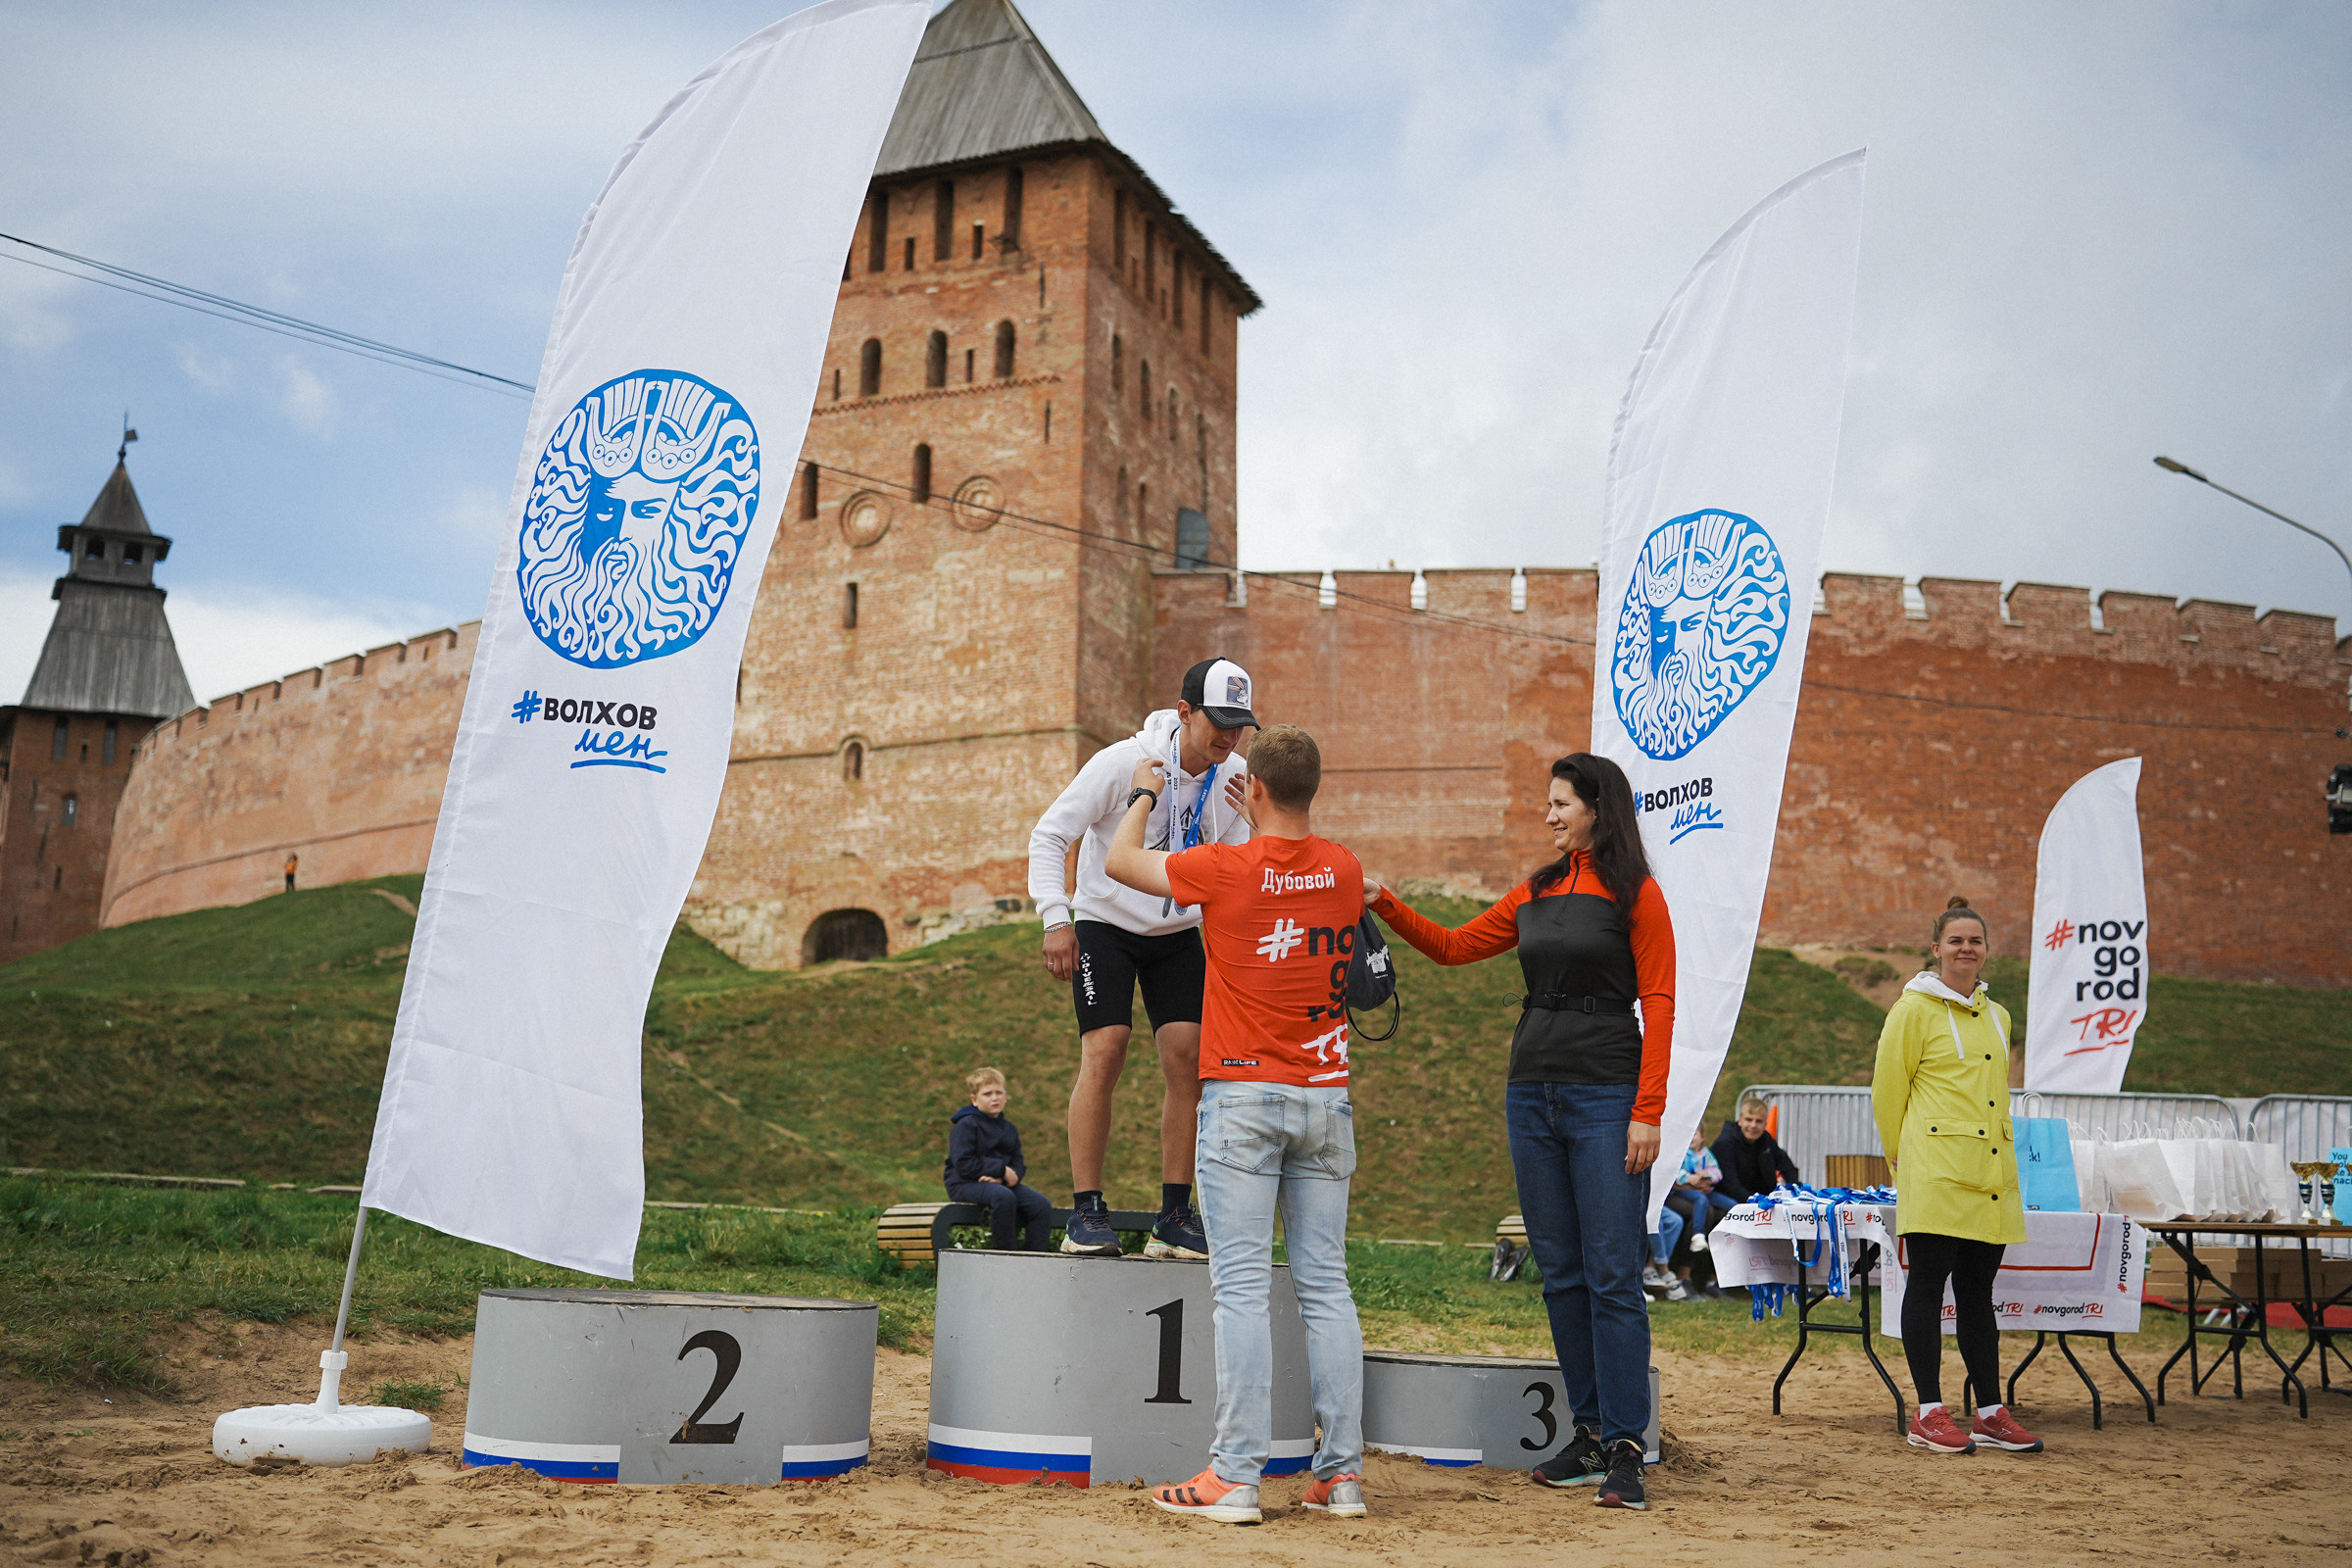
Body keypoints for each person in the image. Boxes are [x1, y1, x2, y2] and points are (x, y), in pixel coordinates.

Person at [1368, 752, 1673, 1511]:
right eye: (1549, 804)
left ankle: (1629, 1446)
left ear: (1598, 807)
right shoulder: (1536, 891)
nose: (1549, 815)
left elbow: (1661, 1000)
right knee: (1563, 1277)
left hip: (1607, 1095)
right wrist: (1386, 903)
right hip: (1530, 1095)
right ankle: (1592, 1433)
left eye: (1561, 803)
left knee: (1611, 1276)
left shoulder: (1638, 893)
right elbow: (1455, 945)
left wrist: (1649, 1109)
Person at [1104, 724, 1368, 1526]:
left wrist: (1148, 791)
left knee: (1242, 1294)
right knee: (1327, 1291)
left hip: (1243, 1101)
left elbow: (1120, 864)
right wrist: (1261, 812)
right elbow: (1305, 872)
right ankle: (1342, 1478)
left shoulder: (1225, 868)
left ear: (1251, 789)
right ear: (1313, 790)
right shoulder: (1345, 868)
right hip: (1326, 1098)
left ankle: (1236, 1476)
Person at [1026, 657, 1257, 1260]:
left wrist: (1254, 828)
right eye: (1220, 723)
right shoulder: (1122, 762)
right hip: (1106, 922)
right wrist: (1057, 917)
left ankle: (1175, 1216)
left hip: (1178, 929)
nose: (1230, 738)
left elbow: (1233, 864)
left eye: (1241, 726)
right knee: (1106, 1049)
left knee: (1189, 1060)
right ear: (1185, 713)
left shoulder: (1235, 774)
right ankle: (1085, 1213)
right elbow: (1050, 835)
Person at [1873, 897, 2038, 1457]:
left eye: (1975, 941)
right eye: (1956, 940)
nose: (1966, 949)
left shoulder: (1999, 1015)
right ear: (1937, 949)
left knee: (1977, 1295)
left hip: (1990, 1176)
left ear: (1986, 951)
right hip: (1935, 1174)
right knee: (1925, 1287)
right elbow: (1887, 1095)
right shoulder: (1911, 1010)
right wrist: (1906, 1165)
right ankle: (1928, 1412)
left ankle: (1991, 1412)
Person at [941, 1067, 1054, 1252]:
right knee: (1003, 1197)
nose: (995, 1098)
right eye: (987, 1094)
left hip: (1000, 1184)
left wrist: (1003, 1178)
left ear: (1006, 1095)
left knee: (1040, 1205)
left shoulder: (1008, 1128)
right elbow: (963, 1163)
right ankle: (1005, 1254)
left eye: (999, 1093)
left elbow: (1018, 1162)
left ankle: (1035, 1257)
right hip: (964, 1184)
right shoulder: (966, 1125)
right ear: (974, 1099)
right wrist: (1000, 1170)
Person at [1710, 1094, 1799, 1202]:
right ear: (1740, 1120)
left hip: (1762, 1200)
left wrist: (1794, 1191)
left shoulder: (1766, 1140)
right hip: (1731, 1200)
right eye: (1749, 1120)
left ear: (1765, 1123)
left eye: (1759, 1121)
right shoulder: (1725, 1144)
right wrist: (1759, 1201)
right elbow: (1731, 1187)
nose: (1753, 1125)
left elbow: (1788, 1168)